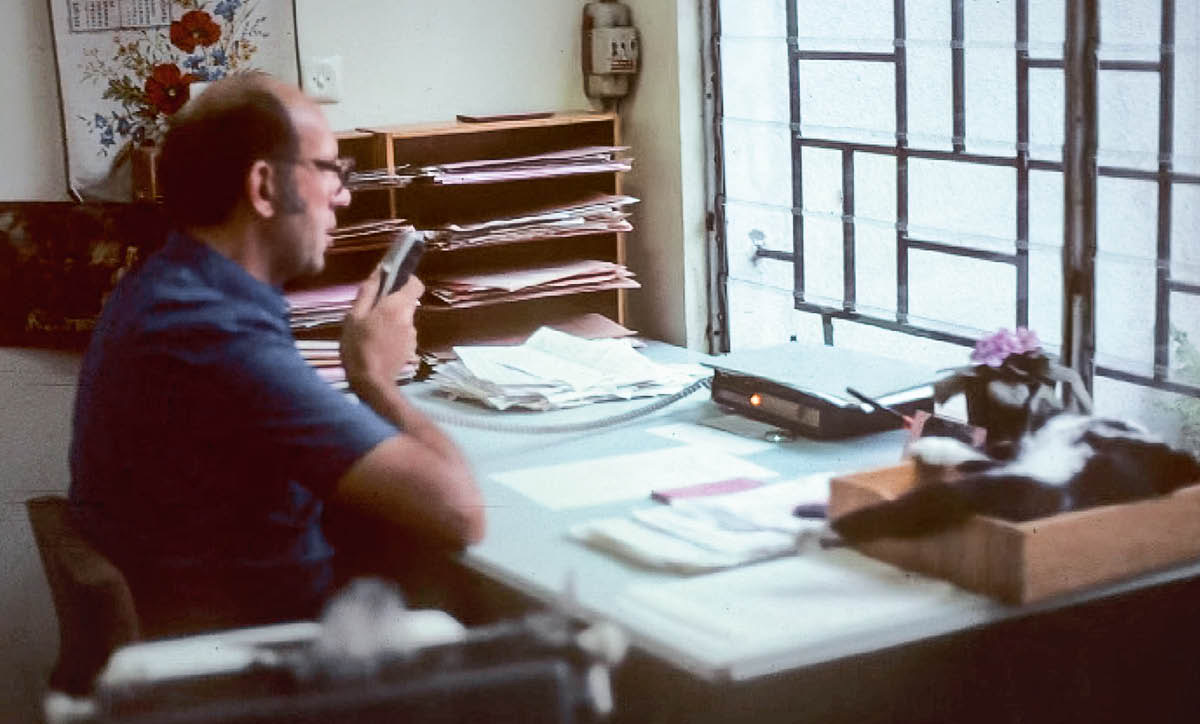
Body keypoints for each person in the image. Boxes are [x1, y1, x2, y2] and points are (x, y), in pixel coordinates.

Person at [68, 72, 484, 629]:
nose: (345, 194)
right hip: (266, 675)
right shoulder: (211, 334)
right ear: (264, 187)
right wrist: (372, 376)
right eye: (330, 170)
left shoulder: (170, 289)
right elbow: (459, 512)